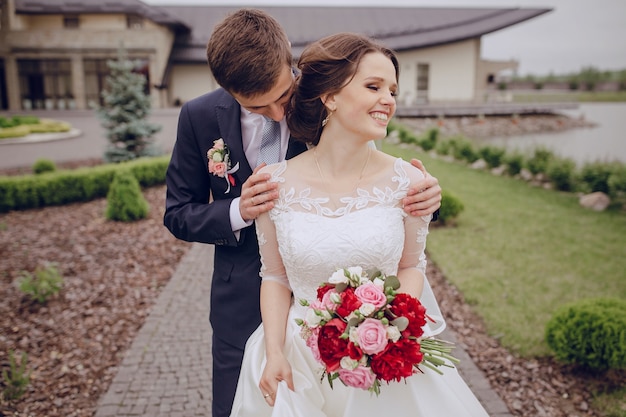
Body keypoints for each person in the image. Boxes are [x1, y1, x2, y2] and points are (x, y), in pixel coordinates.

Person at [163, 9, 442, 417]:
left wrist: (429, 200)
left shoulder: (323, 99)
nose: (279, 115)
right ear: (227, 90)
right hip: (242, 298)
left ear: (288, 61)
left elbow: (376, 193)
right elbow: (178, 213)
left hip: (343, 305)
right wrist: (239, 210)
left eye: (281, 97)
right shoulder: (199, 117)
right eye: (258, 107)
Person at [228, 32, 489, 417]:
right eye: (373, 86)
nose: (389, 100)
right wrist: (274, 351)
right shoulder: (275, 184)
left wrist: (387, 332)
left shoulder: (411, 183)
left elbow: (410, 266)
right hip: (297, 358)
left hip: (380, 357)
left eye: (393, 91)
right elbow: (275, 276)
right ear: (330, 97)